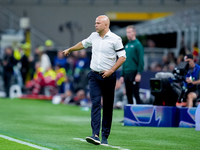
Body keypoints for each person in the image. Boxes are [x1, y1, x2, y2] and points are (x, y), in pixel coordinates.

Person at [62, 15, 126, 145]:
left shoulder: (115, 39)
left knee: (107, 106)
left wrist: (111, 71)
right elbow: (83, 44)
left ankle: (105, 135)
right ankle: (95, 134)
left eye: (98, 23)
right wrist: (70, 49)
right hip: (94, 76)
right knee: (96, 103)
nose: (95, 25)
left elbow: (122, 57)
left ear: (105, 25)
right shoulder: (93, 36)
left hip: (108, 76)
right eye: (95, 23)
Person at [120, 25, 144, 104]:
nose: (128, 34)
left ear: (134, 33)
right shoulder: (126, 45)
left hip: (134, 72)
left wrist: (139, 73)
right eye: (127, 32)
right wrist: (122, 75)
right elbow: (124, 60)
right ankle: (130, 114)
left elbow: (141, 60)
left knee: (136, 94)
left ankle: (140, 113)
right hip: (126, 73)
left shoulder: (138, 45)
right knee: (128, 94)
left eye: (130, 32)